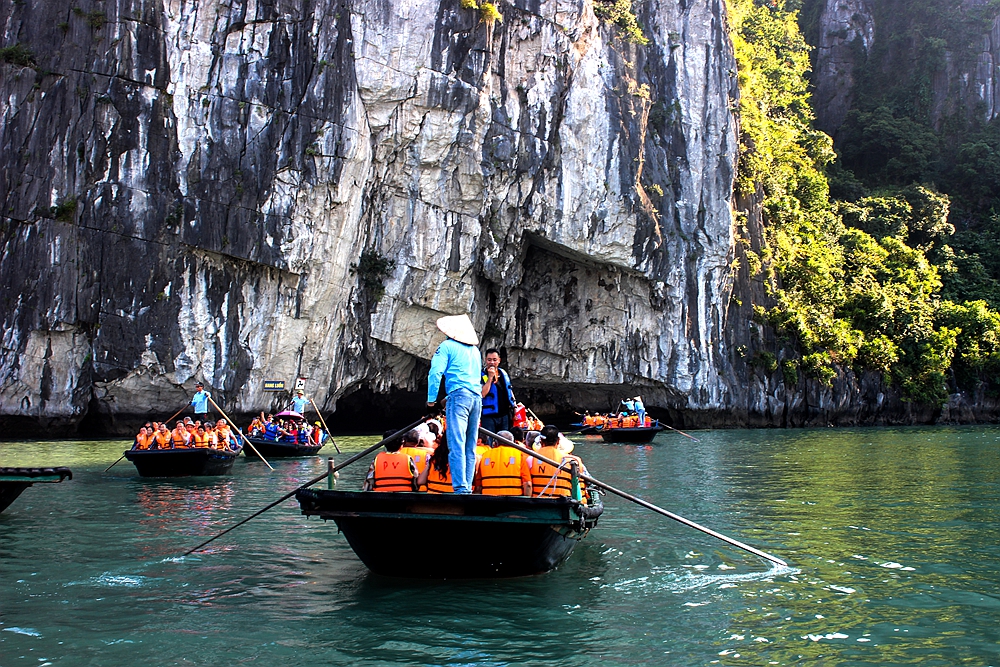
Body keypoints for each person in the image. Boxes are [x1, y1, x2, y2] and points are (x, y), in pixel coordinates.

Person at [426, 314, 482, 495]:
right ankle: (467, 486)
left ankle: (461, 488)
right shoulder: (475, 351)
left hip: (459, 397)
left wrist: (431, 401)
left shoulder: (446, 346)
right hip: (476, 397)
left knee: (457, 443)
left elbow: (435, 373)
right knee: (470, 446)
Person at [529, 425, 588, 501]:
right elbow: (578, 488)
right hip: (563, 504)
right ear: (558, 441)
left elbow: (527, 484)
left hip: (539, 503)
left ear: (541, 441)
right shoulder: (573, 460)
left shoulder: (530, 459)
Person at [478, 429, 532, 496]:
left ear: (495, 443)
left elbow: (478, 486)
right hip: (514, 500)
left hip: (489, 501)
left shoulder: (485, 456)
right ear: (512, 443)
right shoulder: (520, 455)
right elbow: (528, 484)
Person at [480, 348, 516, 435]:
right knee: (489, 441)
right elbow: (482, 394)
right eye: (489, 360)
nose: (492, 362)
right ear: (485, 360)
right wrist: (490, 378)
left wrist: (514, 404)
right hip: (489, 416)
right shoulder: (481, 375)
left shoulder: (503, 373)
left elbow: (509, 389)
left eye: (494, 360)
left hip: (504, 415)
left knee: (504, 441)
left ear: (499, 360)